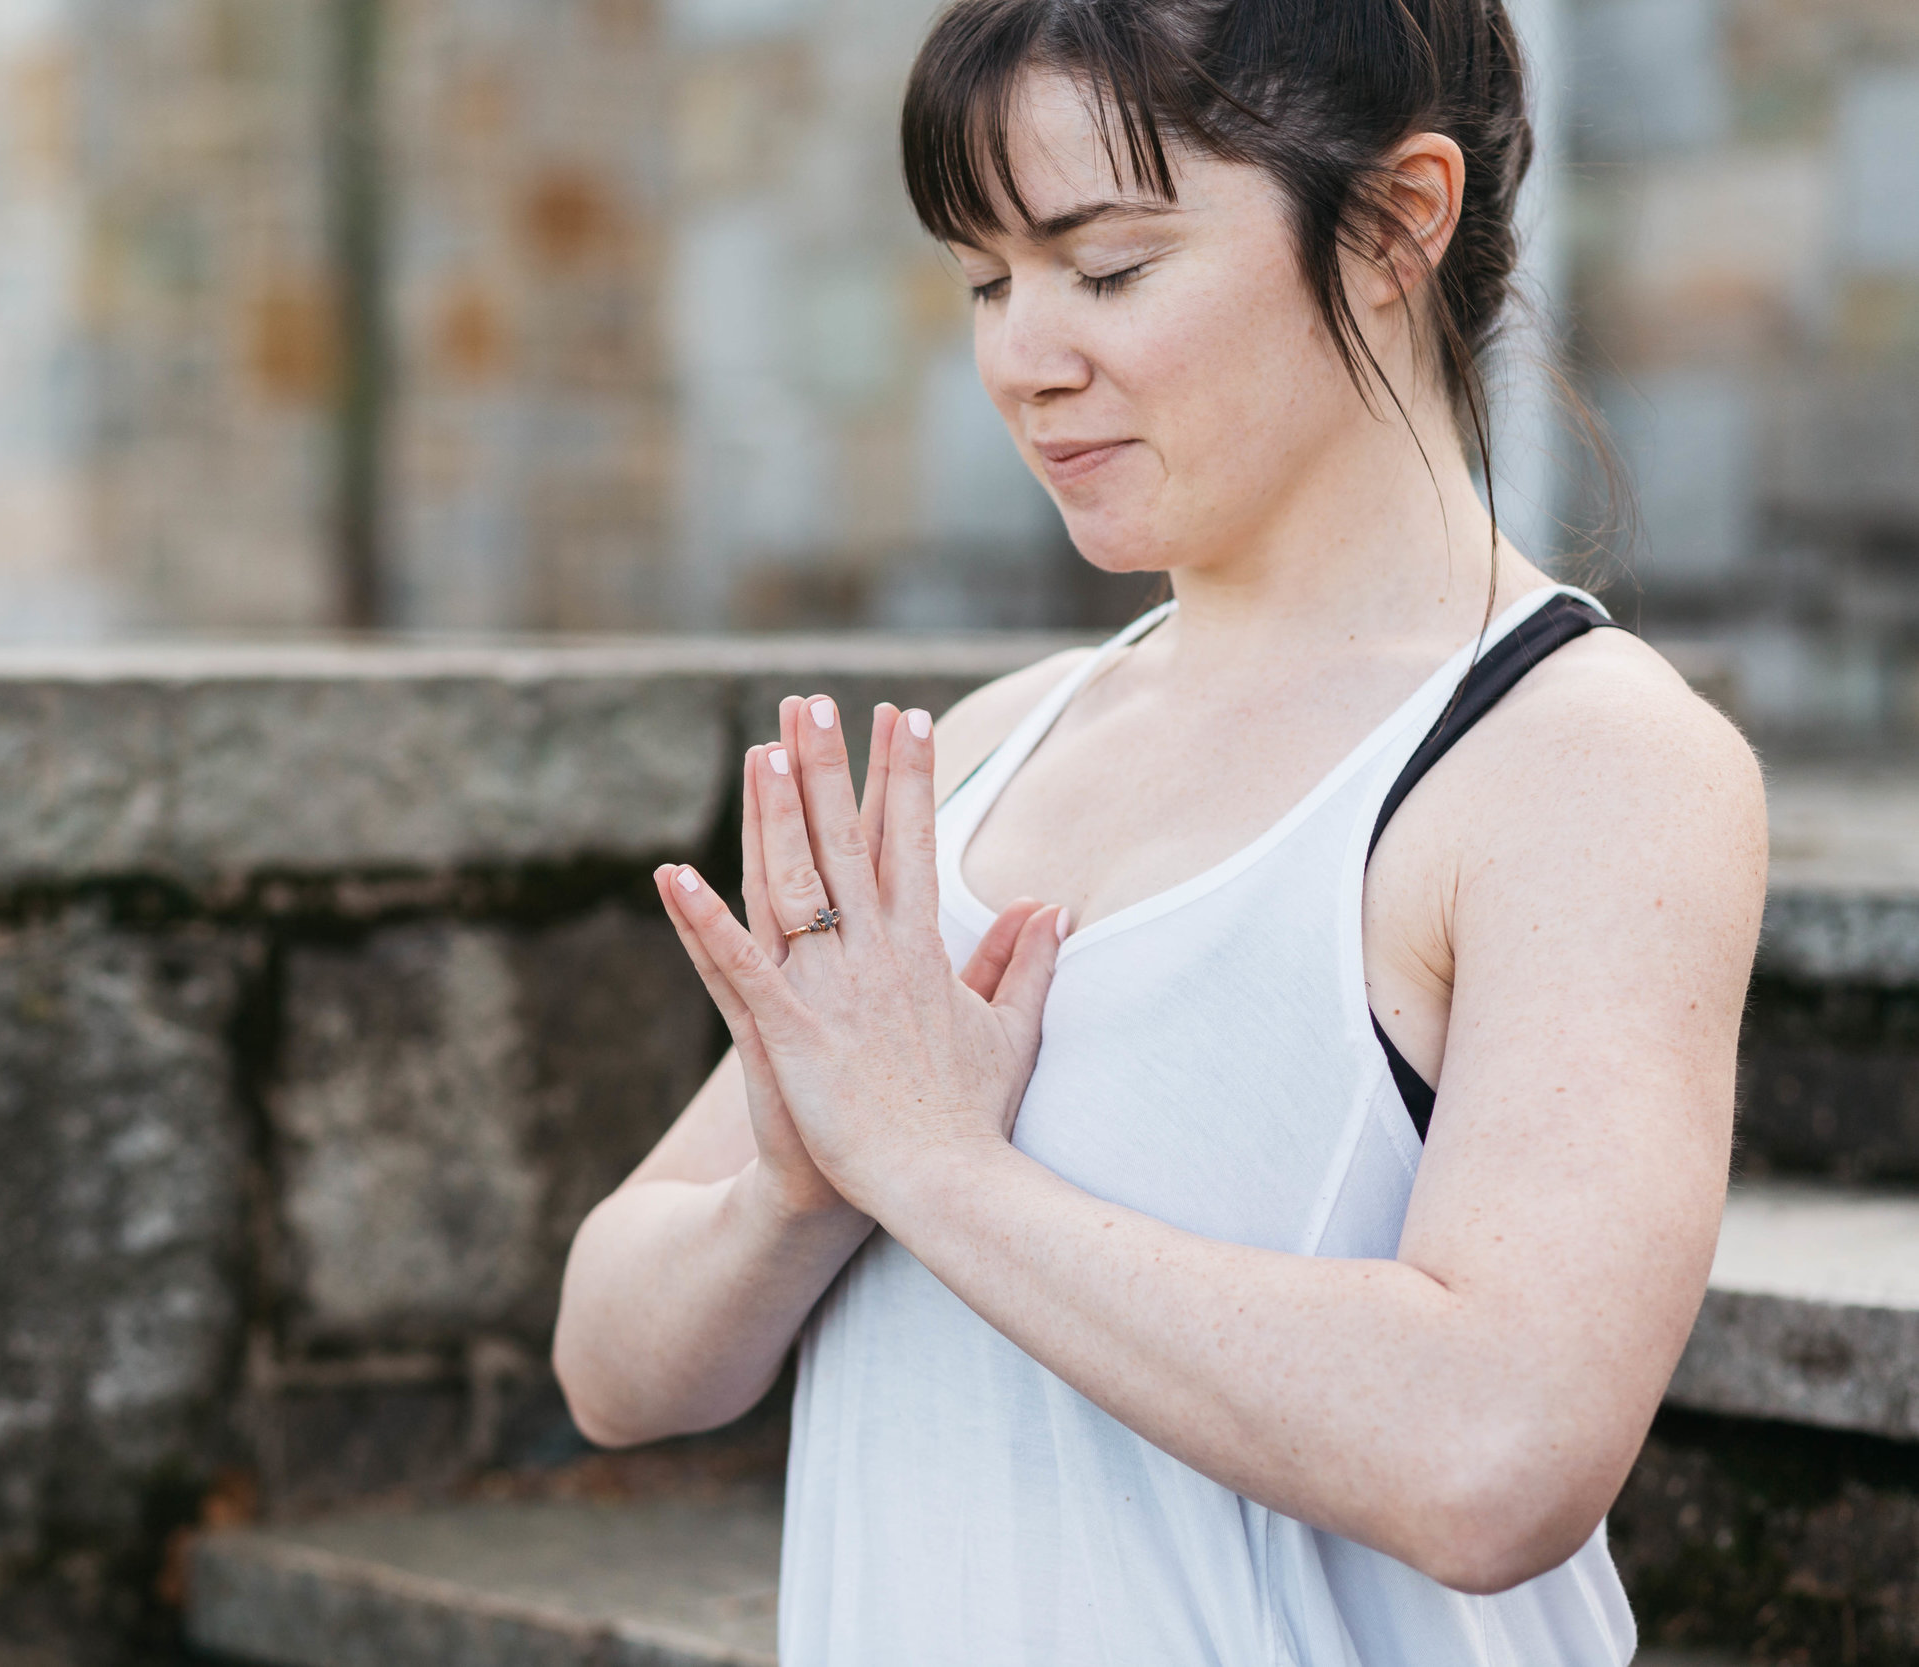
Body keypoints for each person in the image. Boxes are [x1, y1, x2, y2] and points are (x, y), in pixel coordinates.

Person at [551, 0, 1769, 1659]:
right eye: (986, 280)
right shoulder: (992, 748)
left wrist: (929, 1166)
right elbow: (611, 1364)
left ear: (1399, 222)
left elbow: (1501, 1451)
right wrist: (797, 1186)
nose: (1022, 357)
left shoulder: (1580, 760)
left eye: (1108, 269)